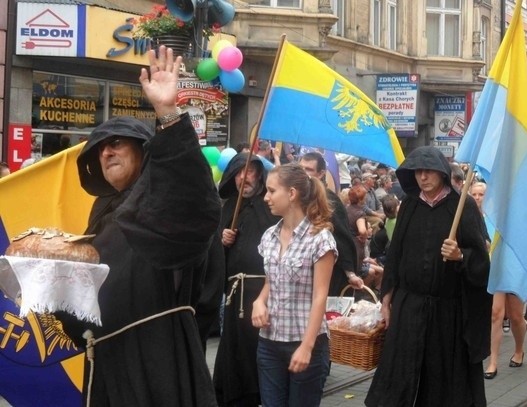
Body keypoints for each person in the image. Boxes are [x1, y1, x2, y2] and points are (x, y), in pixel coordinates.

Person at [61, 46, 221, 406]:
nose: (106, 153)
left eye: (116, 143)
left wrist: (167, 112)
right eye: (98, 149)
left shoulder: (164, 197)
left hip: (159, 358)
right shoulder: (102, 211)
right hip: (107, 357)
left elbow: (190, 199)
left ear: (143, 150)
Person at [365, 146, 491, 406]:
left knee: (442, 377)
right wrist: (387, 298)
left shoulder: (461, 205)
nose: (423, 177)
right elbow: (396, 252)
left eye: (429, 171)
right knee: (400, 371)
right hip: (409, 306)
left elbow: (481, 260)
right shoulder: (410, 204)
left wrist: (460, 256)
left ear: (442, 172)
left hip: (447, 311)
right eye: (417, 171)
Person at [252, 164, 337, 407]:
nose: (266, 197)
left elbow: (320, 296)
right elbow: (272, 280)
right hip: (269, 343)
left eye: (271, 191)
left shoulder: (319, 238)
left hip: (306, 341)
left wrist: (307, 347)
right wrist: (259, 301)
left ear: (291, 194)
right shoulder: (269, 235)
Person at [213, 152, 279, 407]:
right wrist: (223, 240)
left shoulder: (270, 204)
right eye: (239, 173)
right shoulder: (230, 205)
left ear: (259, 174)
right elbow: (216, 250)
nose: (244, 178)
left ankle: (262, 395)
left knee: (259, 347)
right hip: (235, 292)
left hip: (263, 291)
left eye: (250, 172)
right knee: (234, 348)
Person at [298, 152, 364, 294]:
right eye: (301, 168)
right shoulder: (293, 196)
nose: (303, 173)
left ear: (321, 173)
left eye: (308, 170)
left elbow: (342, 238)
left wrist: (350, 273)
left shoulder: (329, 200)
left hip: (325, 271)